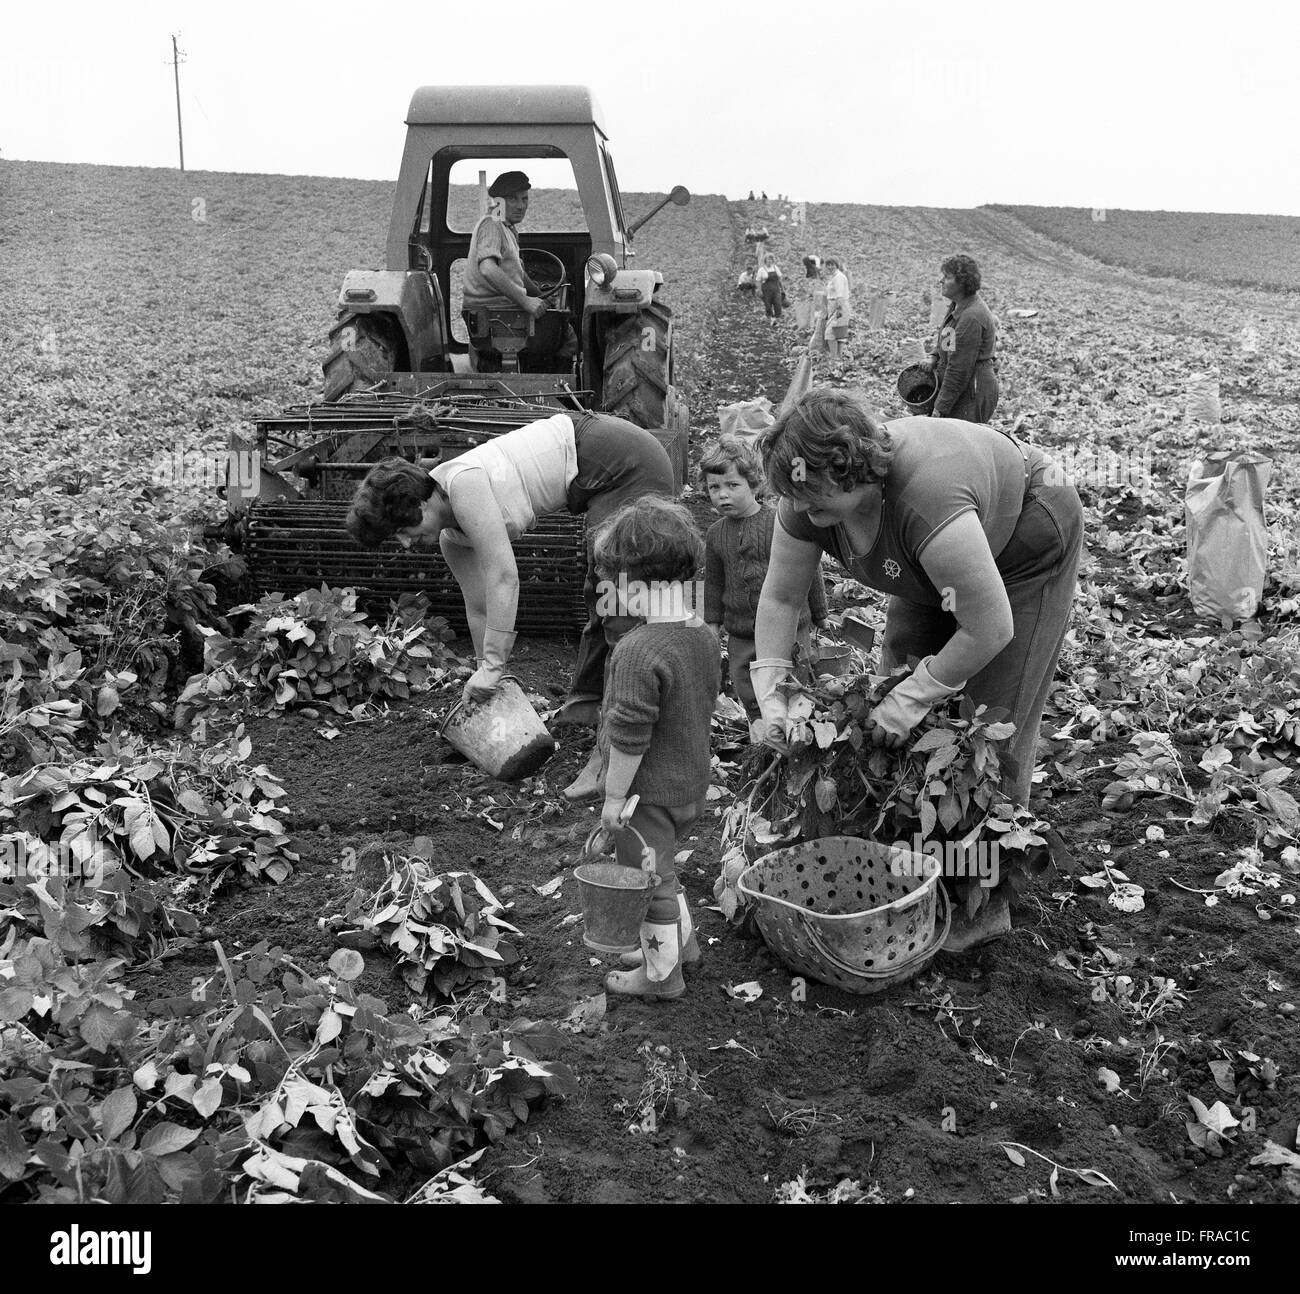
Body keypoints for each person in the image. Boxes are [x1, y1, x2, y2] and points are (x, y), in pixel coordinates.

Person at [750, 388, 1082, 949]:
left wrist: (916, 697)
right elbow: (782, 600)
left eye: (813, 498)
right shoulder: (807, 498)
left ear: (852, 471)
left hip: (1027, 535)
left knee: (986, 723)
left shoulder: (924, 499)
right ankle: (902, 864)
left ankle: (982, 898)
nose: (802, 511)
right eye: (795, 499)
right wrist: (773, 693)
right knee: (891, 694)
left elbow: (988, 627)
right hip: (932, 558)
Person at [345, 410, 674, 800]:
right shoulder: (453, 538)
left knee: (619, 604)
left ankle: (612, 753)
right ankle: (586, 706)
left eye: (403, 530)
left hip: (626, 462)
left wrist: (494, 665)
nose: (405, 543)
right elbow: (480, 604)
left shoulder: (463, 484)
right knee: (599, 595)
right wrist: (490, 676)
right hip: (599, 478)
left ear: (421, 502)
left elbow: (505, 578)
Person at [591, 498, 721, 1001]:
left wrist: (612, 800)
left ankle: (661, 976)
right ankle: (678, 945)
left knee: (648, 884)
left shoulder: (638, 650)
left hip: (645, 796)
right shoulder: (700, 634)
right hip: (689, 784)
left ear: (631, 580)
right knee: (663, 869)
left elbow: (629, 735)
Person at [701, 435, 827, 717]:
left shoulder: (779, 522)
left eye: (732, 485)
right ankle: (760, 730)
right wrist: (712, 622)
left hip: (790, 628)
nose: (722, 494)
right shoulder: (715, 534)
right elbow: (713, 583)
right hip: (742, 632)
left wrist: (820, 612)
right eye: (714, 487)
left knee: (796, 683)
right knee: (748, 687)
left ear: (754, 484)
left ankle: (797, 727)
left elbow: (809, 570)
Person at [462, 170, 576, 373]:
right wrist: (526, 302)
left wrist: (541, 296)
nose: (521, 205)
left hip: (500, 313)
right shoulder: (492, 225)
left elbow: (519, 273)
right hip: (498, 315)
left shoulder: (507, 229)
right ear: (497, 201)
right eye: (513, 199)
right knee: (568, 336)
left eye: (524, 199)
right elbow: (488, 268)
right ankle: (562, 391)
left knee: (555, 316)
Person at [920, 254, 999, 422]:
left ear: (962, 283)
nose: (941, 281)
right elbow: (948, 340)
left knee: (959, 443)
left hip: (972, 391)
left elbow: (959, 369)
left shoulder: (971, 317)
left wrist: (940, 408)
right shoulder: (959, 305)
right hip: (960, 387)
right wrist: (934, 356)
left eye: (947, 277)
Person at [822, 256, 852, 376]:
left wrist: (838, 309)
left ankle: (834, 360)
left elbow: (839, 295)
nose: (830, 267)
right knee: (839, 332)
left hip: (838, 305)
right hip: (837, 305)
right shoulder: (834, 277)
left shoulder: (838, 277)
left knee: (830, 333)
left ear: (837, 264)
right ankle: (838, 360)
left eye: (832, 264)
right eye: (828, 265)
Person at [757, 254, 784, 326]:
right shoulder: (761, 269)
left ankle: (776, 319)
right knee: (768, 305)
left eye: (771, 259)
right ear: (765, 260)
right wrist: (759, 291)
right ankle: (770, 319)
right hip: (766, 290)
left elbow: (780, 279)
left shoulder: (775, 268)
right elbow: (758, 281)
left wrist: (782, 289)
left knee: (778, 304)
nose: (770, 261)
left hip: (776, 289)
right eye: (768, 259)